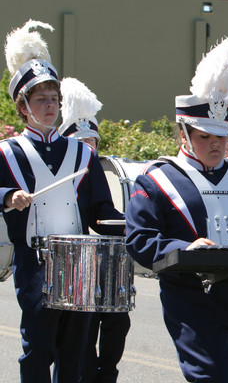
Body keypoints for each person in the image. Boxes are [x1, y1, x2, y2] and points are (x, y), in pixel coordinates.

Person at [125, 39, 228, 382]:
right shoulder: (157, 179)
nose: (216, 144)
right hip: (192, 297)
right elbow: (140, 240)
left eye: (221, 136)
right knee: (212, 376)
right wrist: (184, 249)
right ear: (184, 133)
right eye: (205, 136)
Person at [1, 20, 123, 382]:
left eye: (54, 99)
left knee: (75, 351)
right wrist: (8, 196)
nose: (50, 106)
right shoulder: (7, 153)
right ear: (23, 107)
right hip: (34, 263)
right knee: (38, 347)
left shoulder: (81, 154)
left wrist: (125, 225)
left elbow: (100, 210)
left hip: (79, 262)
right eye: (41, 100)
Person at [58, 77, 131, 383]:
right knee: (80, 333)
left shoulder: (96, 168)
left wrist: (131, 224)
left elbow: (102, 211)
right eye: (82, 142)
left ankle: (106, 375)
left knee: (118, 319)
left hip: (100, 256)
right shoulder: (61, 170)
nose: (89, 148)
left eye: (92, 143)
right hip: (68, 260)